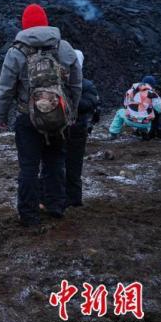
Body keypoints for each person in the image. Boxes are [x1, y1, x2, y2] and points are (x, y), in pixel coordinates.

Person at [0, 4, 82, 227]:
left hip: (28, 118)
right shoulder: (64, 47)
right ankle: (55, 205)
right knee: (55, 162)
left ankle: (29, 214)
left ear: (24, 25)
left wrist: (1, 116)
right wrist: (71, 112)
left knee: (29, 167)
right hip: (59, 116)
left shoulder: (16, 52)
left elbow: (5, 89)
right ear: (45, 22)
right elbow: (76, 84)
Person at [63, 50, 100, 207]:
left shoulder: (83, 85)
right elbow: (92, 104)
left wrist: (69, 104)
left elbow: (89, 104)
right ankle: (71, 198)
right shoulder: (86, 84)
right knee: (71, 165)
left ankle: (71, 199)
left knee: (69, 165)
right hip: (75, 129)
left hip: (72, 129)